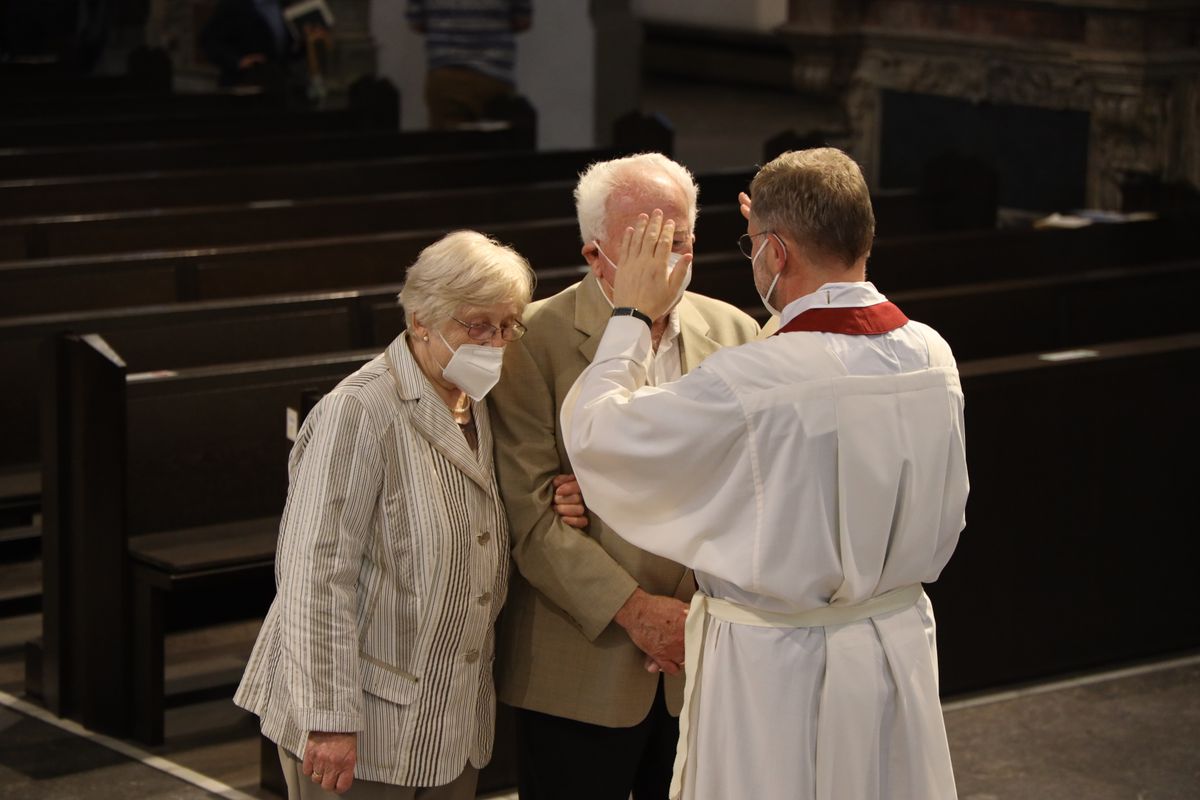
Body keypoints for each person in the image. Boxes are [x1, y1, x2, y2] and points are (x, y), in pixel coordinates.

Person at [560, 148, 970, 800]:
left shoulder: (755, 378)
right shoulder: (931, 353)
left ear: (775, 254)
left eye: (753, 245)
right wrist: (782, 218)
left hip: (780, 670)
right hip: (895, 646)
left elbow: (599, 434)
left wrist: (633, 315)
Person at [488, 152, 761, 799]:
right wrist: (638, 611)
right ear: (594, 253)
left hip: (709, 649)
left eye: (682, 243)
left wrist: (700, 609)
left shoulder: (737, 332)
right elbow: (529, 515)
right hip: (582, 660)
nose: (667, 261)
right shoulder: (534, 339)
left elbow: (757, 485)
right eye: (644, 245)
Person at [235, 231, 539, 799]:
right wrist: (327, 718)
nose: (495, 343)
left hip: (447, 717)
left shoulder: (476, 402)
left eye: (507, 326)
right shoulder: (360, 410)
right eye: (477, 325)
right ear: (421, 319)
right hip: (360, 721)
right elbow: (313, 576)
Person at [405, 0, 531, 129]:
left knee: (449, 145)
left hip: (446, 74)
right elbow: (522, 21)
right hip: (494, 74)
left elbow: (417, 23)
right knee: (497, 144)